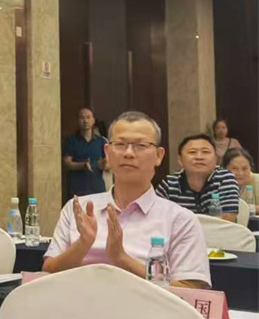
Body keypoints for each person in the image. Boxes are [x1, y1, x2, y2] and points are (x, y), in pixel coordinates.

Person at [43, 111, 210, 286]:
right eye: (120, 144)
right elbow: (47, 273)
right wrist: (82, 244)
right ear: (107, 152)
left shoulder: (181, 220)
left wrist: (121, 259)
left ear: (159, 156)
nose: (128, 153)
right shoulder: (78, 208)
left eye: (140, 145)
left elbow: (190, 291)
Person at [157, 134, 240, 222]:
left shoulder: (225, 178)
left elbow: (227, 221)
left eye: (205, 152)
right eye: (192, 152)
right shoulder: (169, 184)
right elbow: (157, 219)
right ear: (180, 160)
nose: (199, 157)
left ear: (215, 159)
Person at [62, 108, 107, 198]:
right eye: (82, 118)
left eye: (88, 117)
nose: (85, 121)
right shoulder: (71, 141)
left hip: (97, 189)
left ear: (93, 120)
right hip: (77, 189)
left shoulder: (101, 141)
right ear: (77, 121)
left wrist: (104, 164)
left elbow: (109, 163)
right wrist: (82, 165)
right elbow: (66, 163)